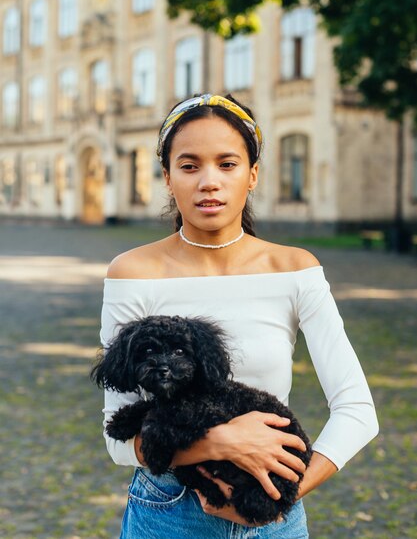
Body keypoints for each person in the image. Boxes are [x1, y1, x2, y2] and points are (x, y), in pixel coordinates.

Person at [100, 93, 379, 539]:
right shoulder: (133, 272)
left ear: (252, 175)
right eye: (189, 166)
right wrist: (223, 442)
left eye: (226, 164)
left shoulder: (295, 269)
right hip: (168, 513)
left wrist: (277, 498)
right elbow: (118, 440)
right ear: (168, 178)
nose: (209, 181)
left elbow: (357, 410)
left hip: (273, 515)